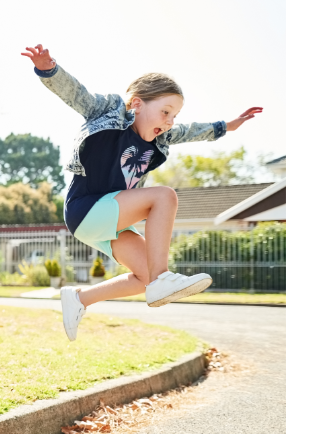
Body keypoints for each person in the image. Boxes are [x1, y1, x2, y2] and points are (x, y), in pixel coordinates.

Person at [20, 44, 262, 341]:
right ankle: (163, 278)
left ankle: (80, 299)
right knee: (164, 197)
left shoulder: (162, 138)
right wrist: (49, 69)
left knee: (143, 276)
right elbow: (75, 93)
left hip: (109, 223)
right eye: (165, 112)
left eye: (174, 115)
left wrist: (227, 126)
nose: (170, 122)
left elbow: (190, 131)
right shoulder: (108, 111)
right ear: (136, 104)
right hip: (86, 209)